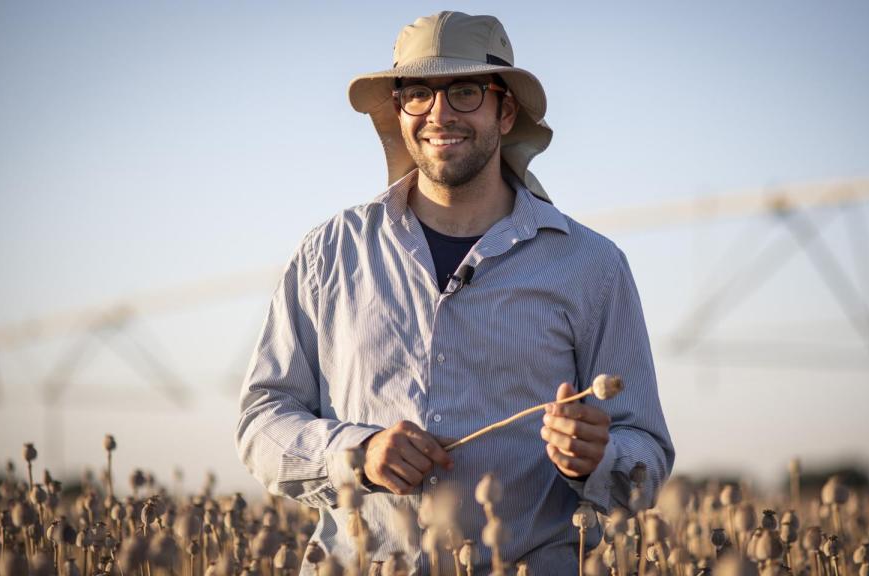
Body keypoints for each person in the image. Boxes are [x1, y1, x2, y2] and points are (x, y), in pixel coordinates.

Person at [236, 11, 674, 575]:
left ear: (505, 111)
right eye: (418, 93)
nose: (439, 114)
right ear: (399, 111)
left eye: (465, 92)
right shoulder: (329, 253)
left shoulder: (592, 266)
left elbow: (647, 451)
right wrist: (359, 453)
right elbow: (262, 420)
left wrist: (598, 457)